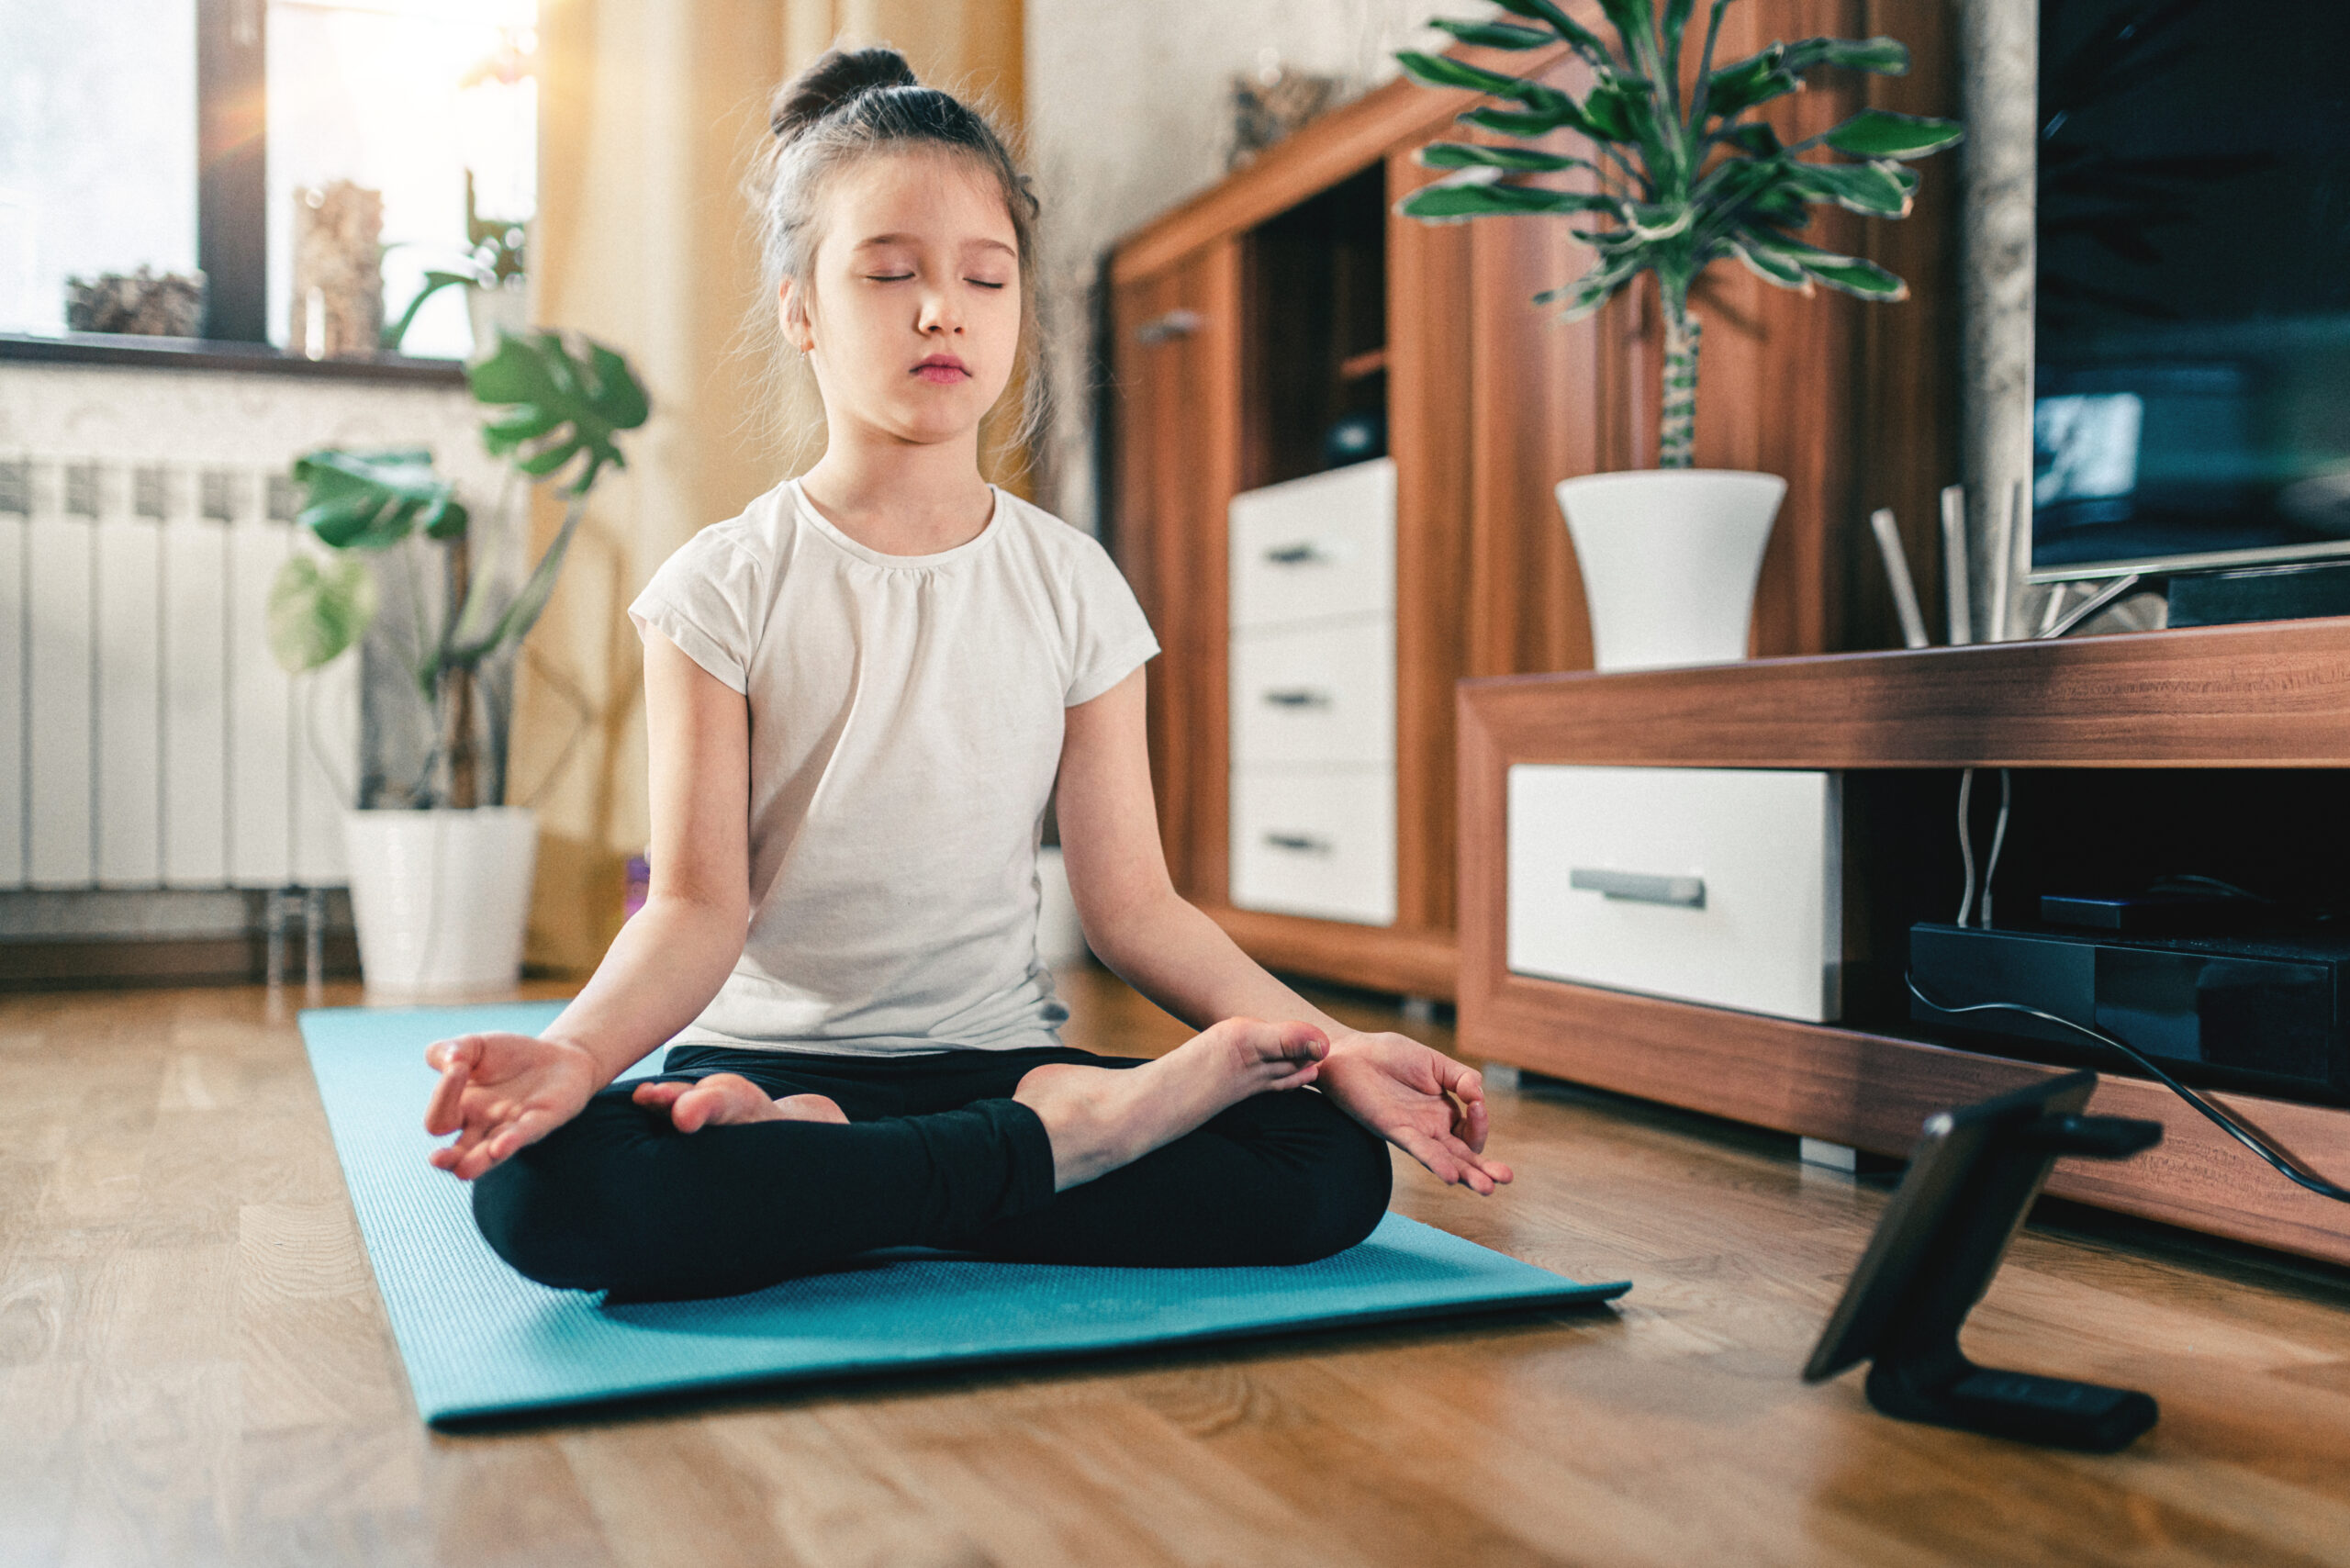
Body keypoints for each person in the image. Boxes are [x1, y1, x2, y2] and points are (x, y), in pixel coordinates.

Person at [419, 45, 1511, 1303]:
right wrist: (567, 1058)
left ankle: (849, 1187)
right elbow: (693, 907)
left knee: (1326, 1162)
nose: (943, 308)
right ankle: (1070, 1150)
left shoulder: (1075, 584)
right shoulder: (717, 587)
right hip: (765, 1066)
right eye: (890, 274)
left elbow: (1136, 907)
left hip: (993, 1060)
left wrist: (1326, 1048)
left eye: (984, 278)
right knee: (540, 1185)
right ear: (802, 309)